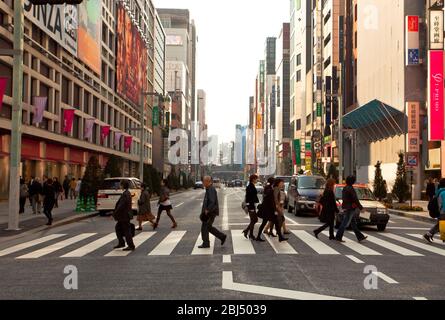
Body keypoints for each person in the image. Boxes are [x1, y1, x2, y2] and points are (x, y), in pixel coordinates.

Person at [335, 176, 367, 243]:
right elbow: (355, 199)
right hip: (350, 208)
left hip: (346, 207)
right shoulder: (351, 189)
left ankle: (360, 236)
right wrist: (361, 208)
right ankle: (338, 236)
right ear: (352, 181)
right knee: (345, 223)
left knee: (353, 223)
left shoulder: (345, 188)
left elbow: (345, 199)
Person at [198, 176, 227, 249]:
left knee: (204, 227)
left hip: (210, 212)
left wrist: (207, 210)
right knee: (208, 227)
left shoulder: (210, 189)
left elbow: (212, 201)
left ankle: (206, 243)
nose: (203, 183)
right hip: (211, 212)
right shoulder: (209, 188)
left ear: (208, 181)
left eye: (204, 181)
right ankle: (222, 236)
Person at [256, 177, 288, 242]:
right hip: (269, 209)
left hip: (268, 209)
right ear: (278, 183)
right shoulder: (276, 189)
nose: (283, 184)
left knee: (272, 222)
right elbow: (275, 200)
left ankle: (279, 237)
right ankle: (279, 237)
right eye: (282, 183)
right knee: (275, 221)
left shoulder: (274, 188)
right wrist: (277, 209)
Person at [112, 180, 135, 251]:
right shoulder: (126, 193)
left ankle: (131, 245)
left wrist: (115, 213)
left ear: (123, 185)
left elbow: (121, 205)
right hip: (124, 215)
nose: (120, 186)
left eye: (120, 185)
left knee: (127, 231)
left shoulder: (125, 194)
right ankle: (121, 242)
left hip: (124, 215)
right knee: (118, 228)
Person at [424, 178, 445, 243]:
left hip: (441, 212)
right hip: (443, 212)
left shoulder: (439, 191)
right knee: (440, 225)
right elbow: (444, 204)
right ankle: (428, 235)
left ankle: (428, 235)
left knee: (439, 225)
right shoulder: (444, 192)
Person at [242, 174, 260, 240]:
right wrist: (250, 206)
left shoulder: (251, 186)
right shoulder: (250, 187)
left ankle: (247, 231)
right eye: (256, 179)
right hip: (251, 206)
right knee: (254, 220)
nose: (257, 180)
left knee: (254, 220)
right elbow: (249, 198)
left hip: (252, 205)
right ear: (253, 179)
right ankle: (250, 234)